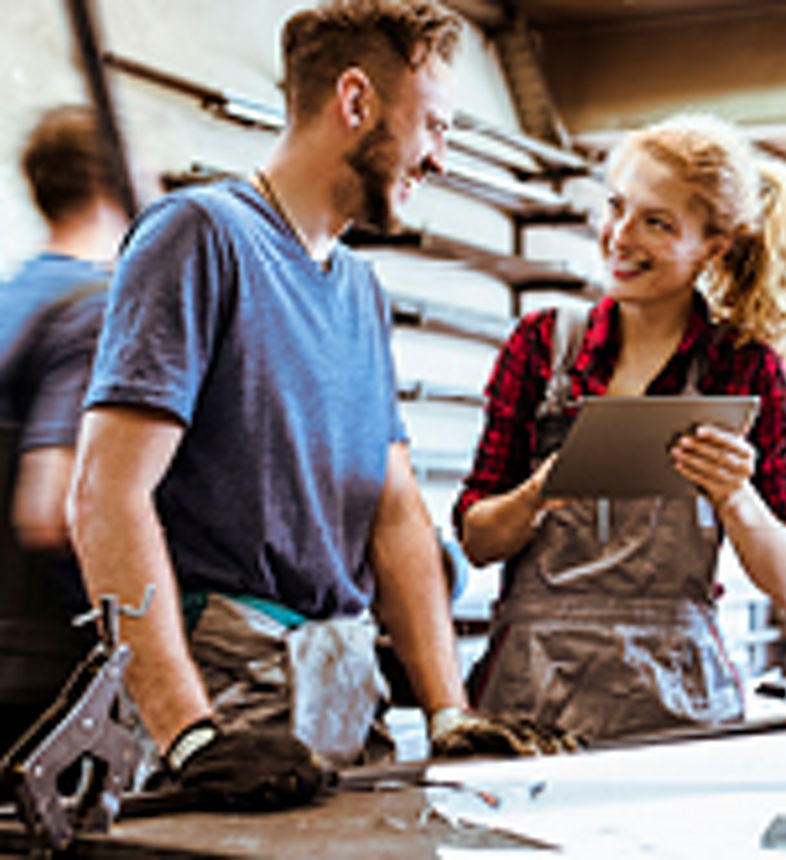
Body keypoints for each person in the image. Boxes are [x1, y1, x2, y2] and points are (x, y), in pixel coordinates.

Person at [68, 0, 557, 811]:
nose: (438, 158)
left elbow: (394, 511)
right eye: (432, 126)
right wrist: (189, 737)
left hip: (341, 686)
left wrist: (448, 712)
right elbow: (106, 494)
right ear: (357, 102)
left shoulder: (360, 289)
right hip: (224, 693)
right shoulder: (199, 237)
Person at [454, 113, 786, 741]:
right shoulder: (542, 346)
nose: (619, 237)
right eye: (616, 208)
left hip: (679, 700)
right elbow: (475, 539)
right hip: (529, 694)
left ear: (716, 246)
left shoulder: (743, 369)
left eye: (656, 222)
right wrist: (539, 494)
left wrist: (737, 498)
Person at [0, 105, 129, 753]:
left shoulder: (9, 298)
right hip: (42, 671)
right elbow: (47, 509)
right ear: (119, 180)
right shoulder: (96, 312)